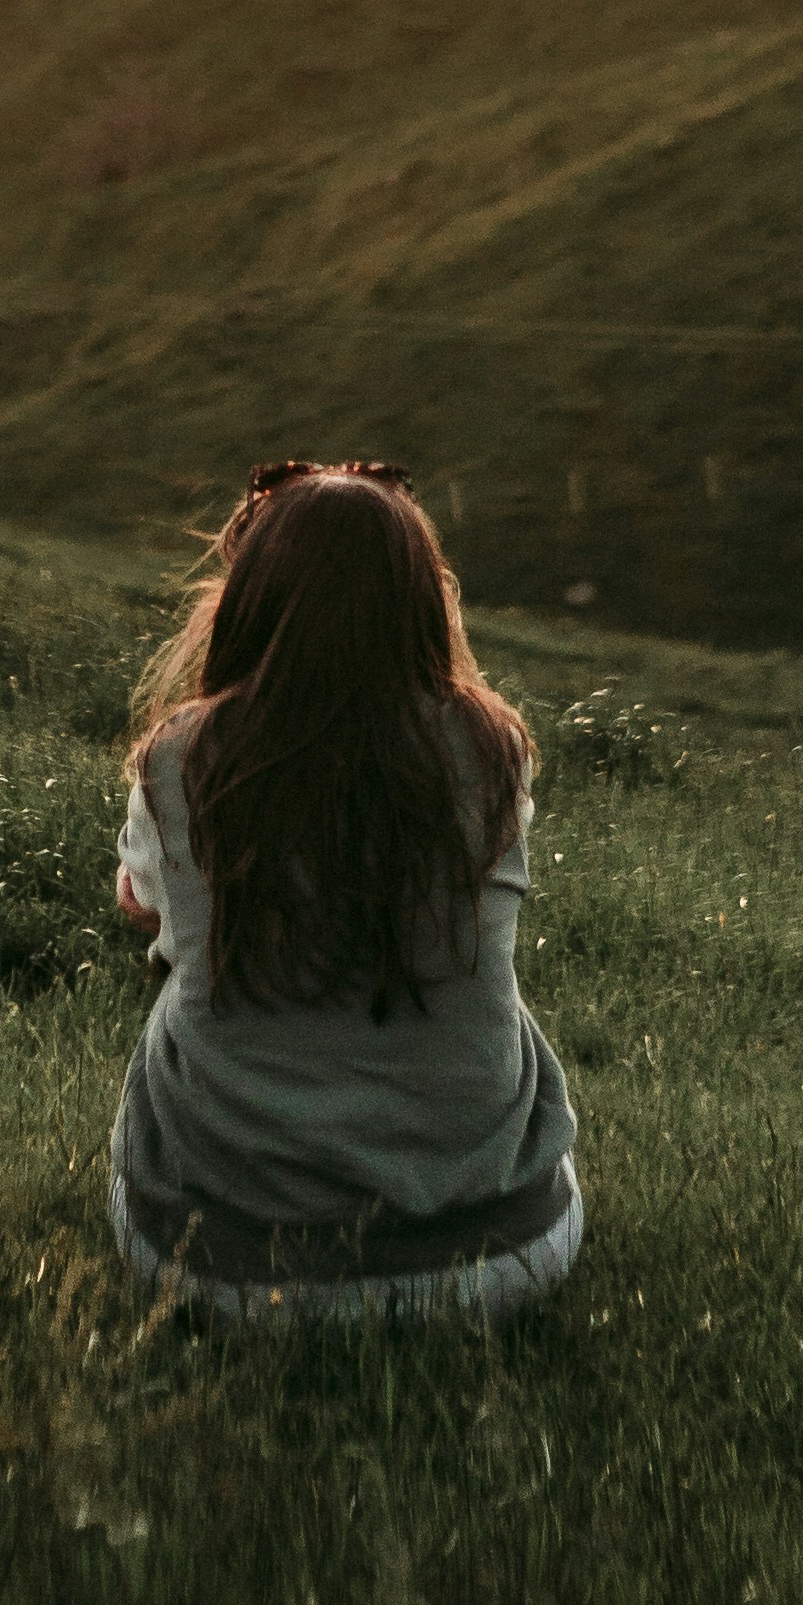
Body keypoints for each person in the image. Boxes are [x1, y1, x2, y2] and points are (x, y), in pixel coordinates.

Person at [109, 460, 583, 1326]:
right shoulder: (492, 749)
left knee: (176, 1010)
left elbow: (141, 904)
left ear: (249, 598)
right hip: (501, 1259)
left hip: (228, 1277)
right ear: (421, 600)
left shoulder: (181, 757)